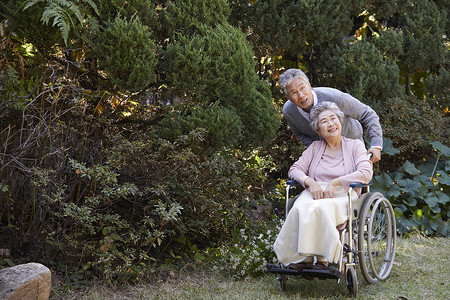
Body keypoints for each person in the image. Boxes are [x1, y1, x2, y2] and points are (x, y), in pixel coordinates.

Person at [273, 101, 373, 271]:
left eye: (333, 118)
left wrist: (336, 182)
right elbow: (295, 169)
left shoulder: (355, 145)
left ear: (340, 122)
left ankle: (323, 260)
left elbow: (365, 172)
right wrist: (309, 182)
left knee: (321, 209)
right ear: (318, 130)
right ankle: (300, 259)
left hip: (344, 193)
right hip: (315, 191)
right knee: (300, 207)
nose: (330, 124)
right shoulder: (315, 147)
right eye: (324, 121)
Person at [279, 68, 383, 163]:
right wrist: (317, 148)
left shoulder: (335, 97)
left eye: (302, 88)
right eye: (294, 93)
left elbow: (368, 114)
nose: (301, 95)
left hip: (353, 150)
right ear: (288, 97)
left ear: (309, 85)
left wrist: (376, 145)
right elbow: (298, 133)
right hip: (324, 160)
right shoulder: (289, 111)